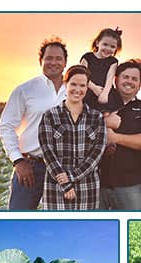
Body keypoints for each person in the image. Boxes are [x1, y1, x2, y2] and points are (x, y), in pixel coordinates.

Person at [0, 37, 68, 210]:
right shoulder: (25, 90)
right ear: (40, 61)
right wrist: (18, 161)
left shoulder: (76, 89)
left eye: (58, 58)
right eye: (49, 58)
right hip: (31, 167)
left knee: (62, 226)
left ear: (65, 62)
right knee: (19, 222)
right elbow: (5, 127)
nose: (53, 62)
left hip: (65, 169)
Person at [38, 65, 107, 210]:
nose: (78, 89)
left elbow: (96, 154)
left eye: (82, 85)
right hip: (56, 187)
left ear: (87, 88)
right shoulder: (50, 116)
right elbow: (48, 152)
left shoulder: (96, 117)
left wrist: (72, 176)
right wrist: (65, 184)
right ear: (65, 84)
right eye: (73, 84)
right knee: (56, 231)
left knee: (85, 231)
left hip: (87, 188)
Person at [99, 59, 141, 210]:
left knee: (132, 228)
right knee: (96, 230)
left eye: (134, 79)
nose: (129, 81)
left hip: (130, 184)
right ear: (115, 79)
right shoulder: (98, 105)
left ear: (139, 85)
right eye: (125, 77)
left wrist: (115, 138)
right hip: (97, 183)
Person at [80, 28, 124, 113]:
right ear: (97, 43)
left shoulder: (113, 61)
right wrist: (94, 88)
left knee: (109, 112)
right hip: (88, 88)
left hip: (105, 91)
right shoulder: (87, 57)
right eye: (105, 44)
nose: (108, 48)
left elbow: (110, 78)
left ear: (116, 48)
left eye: (112, 46)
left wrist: (104, 93)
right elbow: (82, 75)